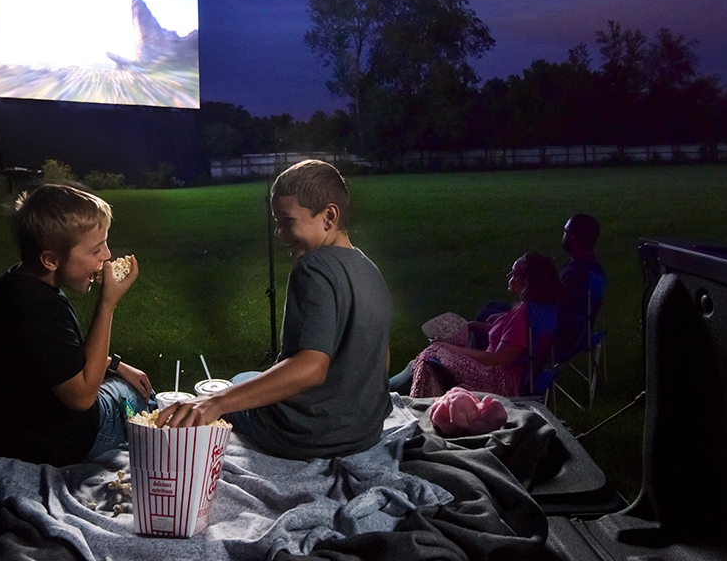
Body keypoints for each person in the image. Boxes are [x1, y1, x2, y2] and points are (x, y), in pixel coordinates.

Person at [156, 160, 394, 461]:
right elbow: (380, 360)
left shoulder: (313, 267)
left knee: (240, 382)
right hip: (365, 434)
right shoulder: (371, 270)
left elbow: (311, 367)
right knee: (249, 380)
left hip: (307, 437)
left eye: (287, 220)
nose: (278, 232)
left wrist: (216, 402)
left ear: (328, 216)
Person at [0, 183, 153, 466]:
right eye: (96, 249)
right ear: (51, 260)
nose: (107, 256)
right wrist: (107, 304)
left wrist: (116, 365)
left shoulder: (13, 284)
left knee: (122, 379)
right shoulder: (41, 308)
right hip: (57, 445)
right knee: (140, 396)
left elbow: (51, 359)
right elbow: (83, 397)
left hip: (8, 438)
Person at [408, 252, 560, 398]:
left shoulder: (522, 316)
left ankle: (418, 402)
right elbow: (511, 339)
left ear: (528, 282)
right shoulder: (533, 310)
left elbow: (497, 358)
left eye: (514, 274)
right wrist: (474, 325)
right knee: (432, 356)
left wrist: (448, 347)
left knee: (432, 353)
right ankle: (412, 391)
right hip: (496, 372)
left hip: (498, 381)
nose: (508, 276)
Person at [554, 214, 605, 360]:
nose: (563, 236)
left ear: (573, 238)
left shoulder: (576, 275)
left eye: (565, 232)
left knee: (487, 315)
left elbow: (557, 316)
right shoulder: (594, 270)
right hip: (578, 335)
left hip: (556, 341)